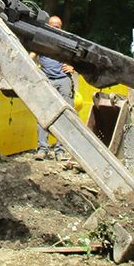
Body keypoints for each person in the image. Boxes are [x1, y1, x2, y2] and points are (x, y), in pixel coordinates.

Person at [32, 15, 75, 161]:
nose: (55, 29)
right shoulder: (41, 41)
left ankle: (60, 151)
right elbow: (31, 56)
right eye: (52, 26)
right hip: (46, 80)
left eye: (58, 27)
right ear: (48, 26)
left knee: (66, 115)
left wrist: (73, 67)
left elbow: (76, 59)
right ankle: (42, 149)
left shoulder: (67, 42)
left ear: (61, 28)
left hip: (63, 80)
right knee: (43, 114)